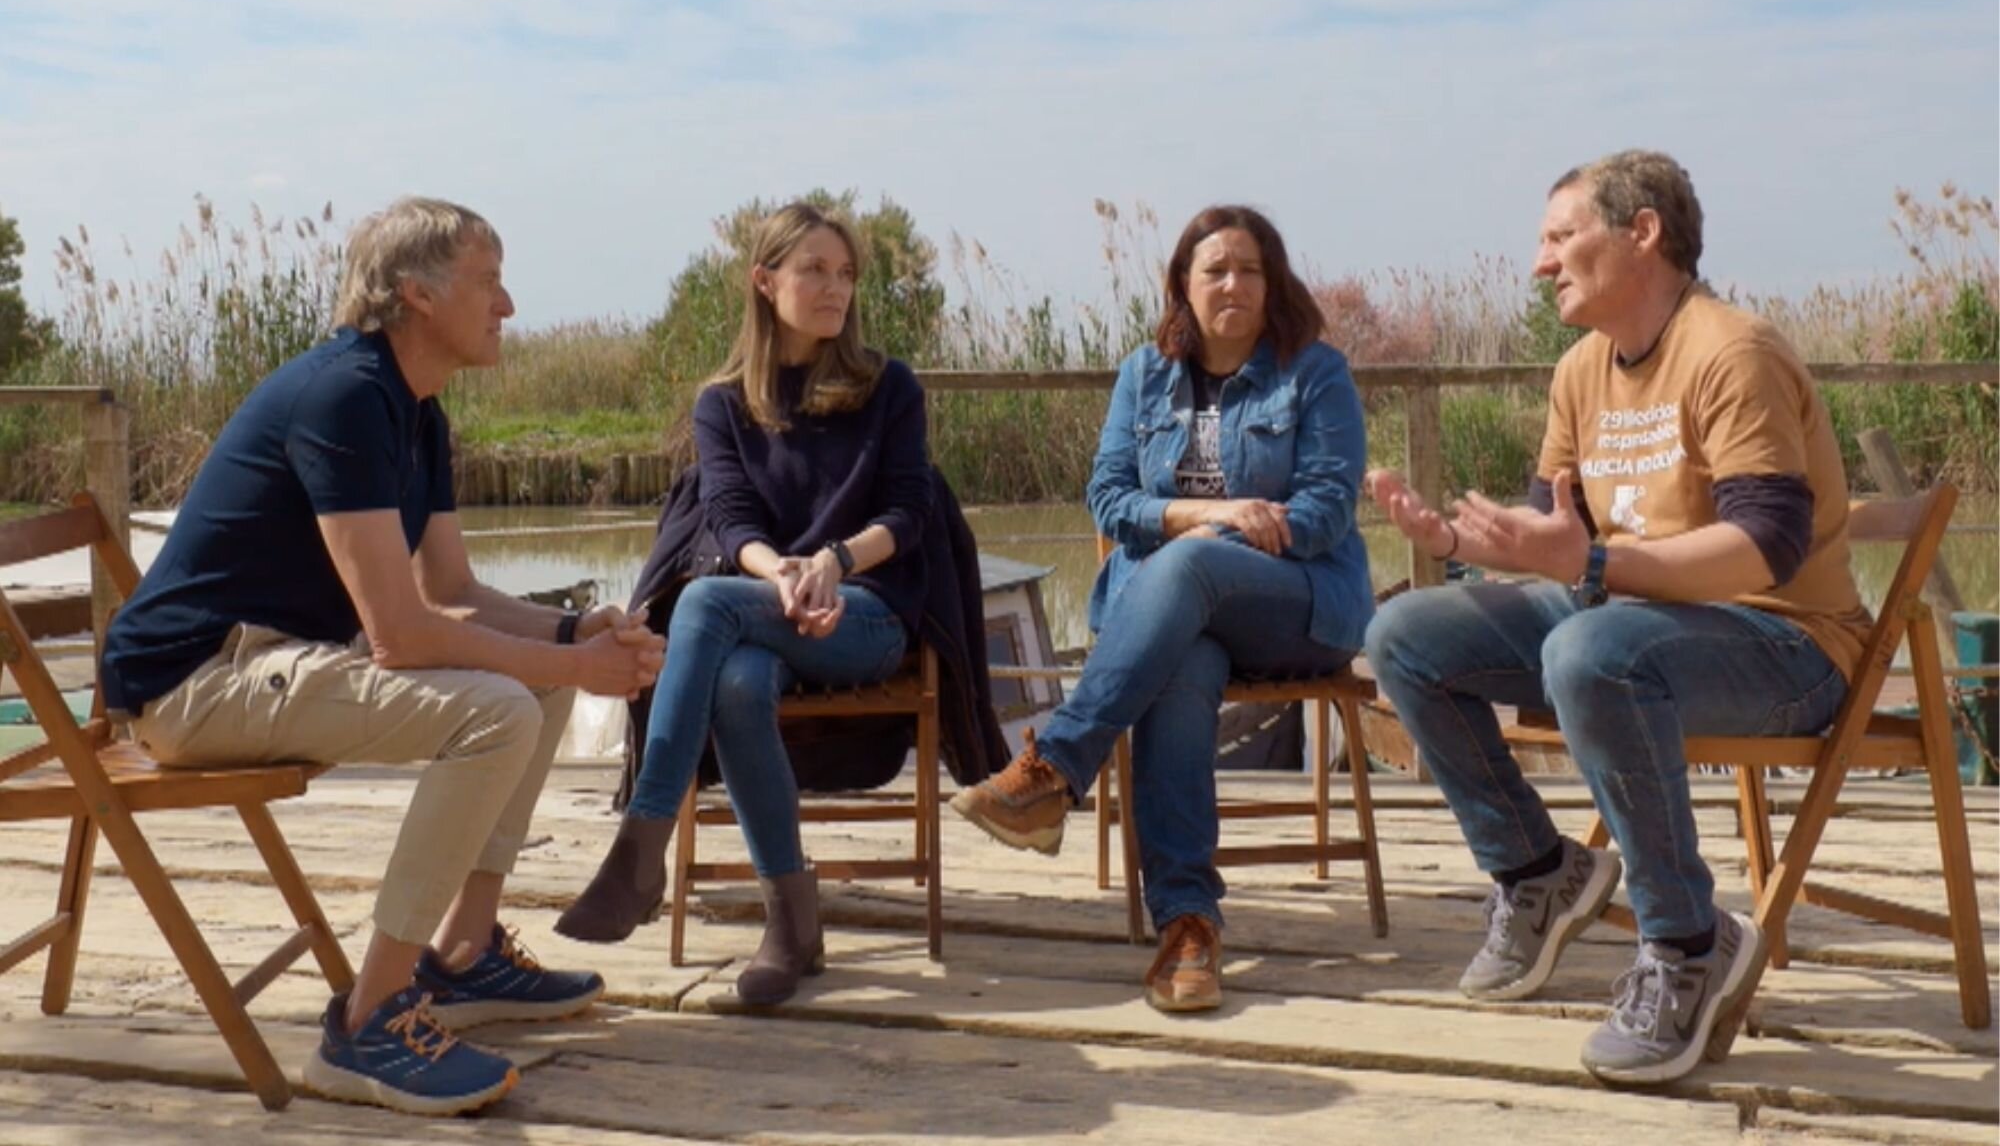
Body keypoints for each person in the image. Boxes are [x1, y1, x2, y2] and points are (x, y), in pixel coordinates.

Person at [102, 198, 665, 1115]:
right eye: (488, 282)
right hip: (195, 686)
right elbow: (401, 636)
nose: (509, 305)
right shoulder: (345, 396)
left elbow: (453, 593)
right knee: (503, 707)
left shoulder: (417, 412)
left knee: (537, 685)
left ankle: (464, 955)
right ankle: (367, 1022)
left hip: (272, 663)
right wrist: (566, 666)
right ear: (416, 294)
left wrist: (575, 635)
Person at [1365, 150, 1871, 1085]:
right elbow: (1556, 537)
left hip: (1786, 644)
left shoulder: (1732, 350)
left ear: (1642, 233)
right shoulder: (1579, 372)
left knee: (1590, 647)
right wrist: (1471, 546)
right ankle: (1537, 873)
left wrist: (1592, 565)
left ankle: (1685, 944)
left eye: (1560, 236)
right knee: (1405, 634)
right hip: (1630, 624)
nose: (1539, 262)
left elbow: (1769, 546)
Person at [949, 204, 1374, 1014]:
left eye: (1250, 268)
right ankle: (1188, 927)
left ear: (1273, 281)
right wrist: (1200, 519)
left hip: (1299, 606)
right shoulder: (1143, 375)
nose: (1234, 283)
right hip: (1178, 620)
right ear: (1183, 283)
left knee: (1190, 574)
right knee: (1182, 659)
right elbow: (1109, 499)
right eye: (1214, 269)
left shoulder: (1314, 373)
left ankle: (1054, 770)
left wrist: (1208, 552)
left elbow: (1323, 513)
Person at [557, 204, 932, 1007]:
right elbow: (730, 522)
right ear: (765, 282)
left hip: (865, 616)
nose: (835, 287)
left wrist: (830, 564)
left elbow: (908, 515)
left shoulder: (888, 386)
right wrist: (783, 578)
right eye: (814, 270)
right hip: (766, 600)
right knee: (733, 680)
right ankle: (793, 927)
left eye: (845, 272)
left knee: (701, 608)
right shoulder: (723, 403)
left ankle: (640, 844)